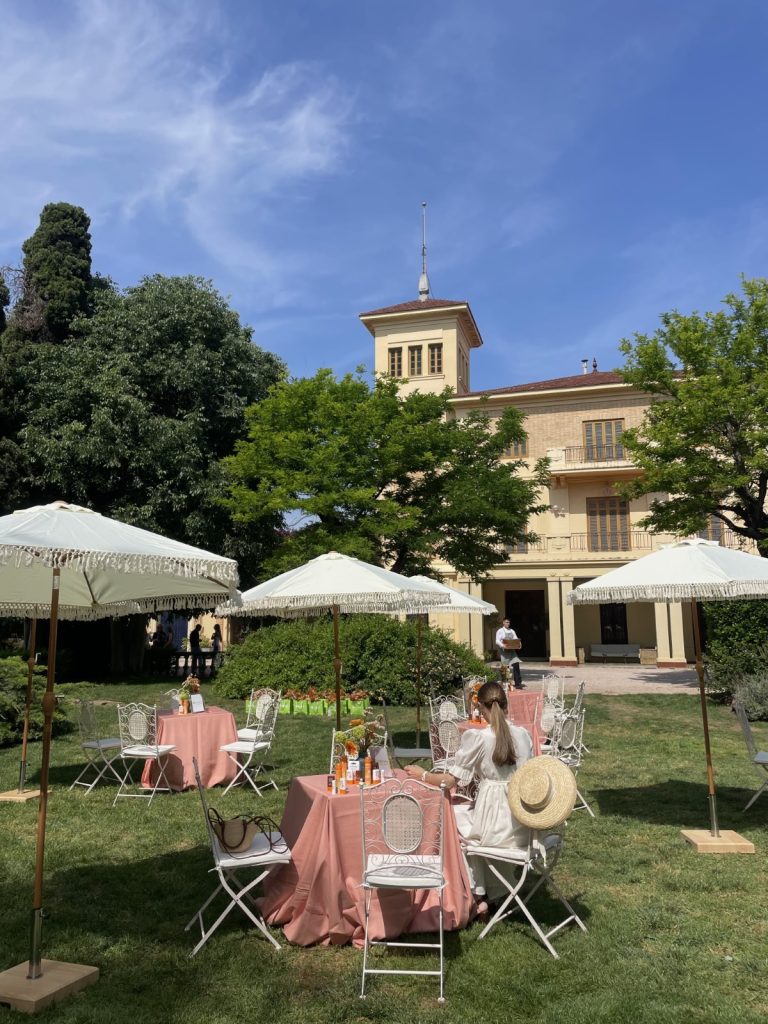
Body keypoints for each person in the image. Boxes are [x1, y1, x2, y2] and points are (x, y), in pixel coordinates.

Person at [404, 681, 532, 901]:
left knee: (451, 820)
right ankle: (489, 890)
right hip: (523, 825)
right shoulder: (523, 734)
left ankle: (477, 893)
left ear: (480, 708)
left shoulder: (480, 738)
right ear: (505, 704)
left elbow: (449, 781)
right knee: (466, 817)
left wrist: (422, 774)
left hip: (495, 825)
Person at [495, 617, 523, 688]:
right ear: (503, 622)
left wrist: (519, 644)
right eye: (506, 622)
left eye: (509, 622)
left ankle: (518, 683)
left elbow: (516, 638)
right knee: (505, 667)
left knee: (516, 664)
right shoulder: (500, 631)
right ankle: (505, 683)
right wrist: (502, 645)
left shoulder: (512, 631)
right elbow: (497, 641)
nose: (508, 623)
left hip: (512, 651)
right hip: (504, 652)